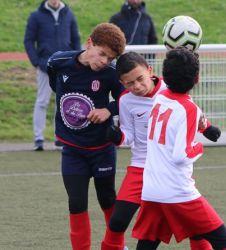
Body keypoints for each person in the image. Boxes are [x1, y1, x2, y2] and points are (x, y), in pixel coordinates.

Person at [101, 51, 222, 250]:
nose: (137, 87)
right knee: (117, 222)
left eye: (140, 79)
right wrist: (117, 136)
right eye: (129, 84)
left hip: (168, 168)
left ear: (149, 71)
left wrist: (206, 127)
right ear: (122, 84)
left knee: (195, 227)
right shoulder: (125, 101)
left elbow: (189, 112)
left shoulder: (170, 87)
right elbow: (128, 135)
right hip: (141, 166)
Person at [131, 47, 226, 250]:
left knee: (147, 244)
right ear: (196, 79)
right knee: (225, 242)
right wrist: (199, 147)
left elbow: (178, 119)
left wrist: (204, 125)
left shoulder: (159, 98)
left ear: (164, 76)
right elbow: (181, 155)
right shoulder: (189, 109)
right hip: (177, 191)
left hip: (152, 189)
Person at [47, 23, 126, 250]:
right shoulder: (58, 61)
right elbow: (54, 78)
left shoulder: (110, 75)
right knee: (76, 203)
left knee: (107, 199)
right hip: (72, 150)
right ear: (89, 43)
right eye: (101, 54)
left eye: (109, 58)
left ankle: (115, 246)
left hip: (101, 150)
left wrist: (108, 110)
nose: (104, 61)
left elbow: (127, 99)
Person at [24, 0, 81, 151]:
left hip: (65, 68)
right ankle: (38, 138)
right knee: (42, 101)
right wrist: (36, 62)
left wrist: (75, 60)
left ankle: (60, 137)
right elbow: (28, 40)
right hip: (44, 67)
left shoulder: (69, 14)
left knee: (62, 102)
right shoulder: (36, 16)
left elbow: (76, 39)